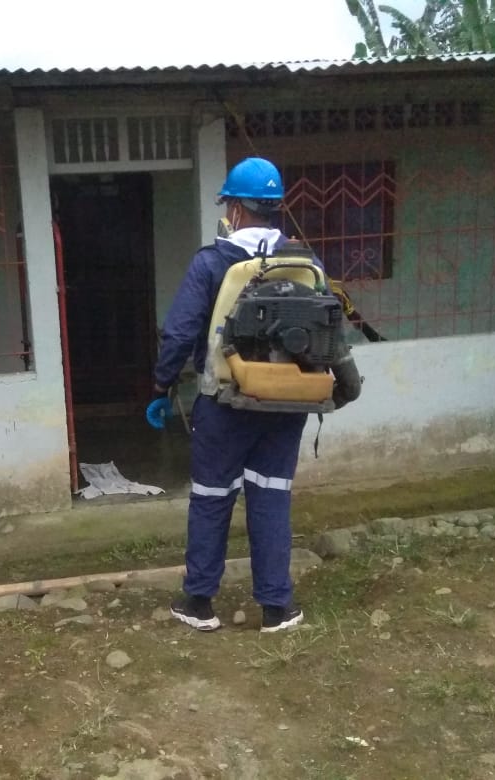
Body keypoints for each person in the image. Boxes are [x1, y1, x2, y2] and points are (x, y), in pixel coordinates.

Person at [147, 156, 355, 634]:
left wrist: (161, 386)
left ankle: (199, 602)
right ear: (274, 207)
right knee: (271, 496)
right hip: (287, 403)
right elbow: (330, 331)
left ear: (236, 209)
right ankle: (277, 608)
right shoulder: (305, 262)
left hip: (224, 403)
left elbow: (179, 333)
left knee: (212, 496)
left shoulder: (211, 262)